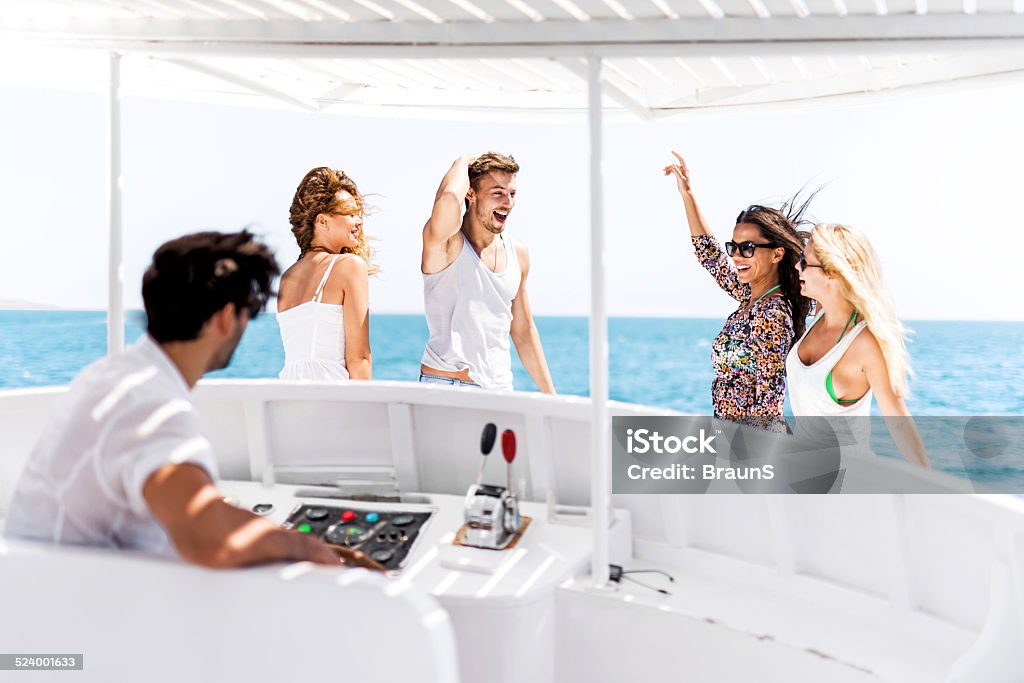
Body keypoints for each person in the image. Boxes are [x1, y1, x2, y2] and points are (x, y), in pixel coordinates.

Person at [4, 231, 376, 568]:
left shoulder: (113, 376)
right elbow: (209, 539)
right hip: (65, 620)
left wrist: (281, 535)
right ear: (226, 319)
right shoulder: (154, 408)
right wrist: (310, 549)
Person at [664, 151, 811, 432]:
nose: (736, 256)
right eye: (734, 247)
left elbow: (766, 400)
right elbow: (710, 255)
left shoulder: (772, 312)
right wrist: (687, 195)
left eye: (748, 248)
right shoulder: (751, 297)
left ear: (777, 254)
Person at [787, 223, 931, 468]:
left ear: (832, 271)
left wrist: (930, 483)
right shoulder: (822, 313)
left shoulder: (865, 343)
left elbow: (897, 421)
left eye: (804, 261)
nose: (797, 267)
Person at [420, 153, 555, 392]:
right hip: (447, 387)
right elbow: (449, 199)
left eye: (512, 194)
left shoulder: (518, 253)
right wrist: (463, 161)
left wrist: (551, 396)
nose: (508, 203)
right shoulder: (447, 243)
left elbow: (523, 331)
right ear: (470, 194)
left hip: (500, 390)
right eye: (498, 193)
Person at [278, 167, 374, 381]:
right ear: (322, 221)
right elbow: (359, 358)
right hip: (331, 400)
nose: (359, 221)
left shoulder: (287, 278)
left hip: (290, 397)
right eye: (350, 214)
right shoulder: (350, 266)